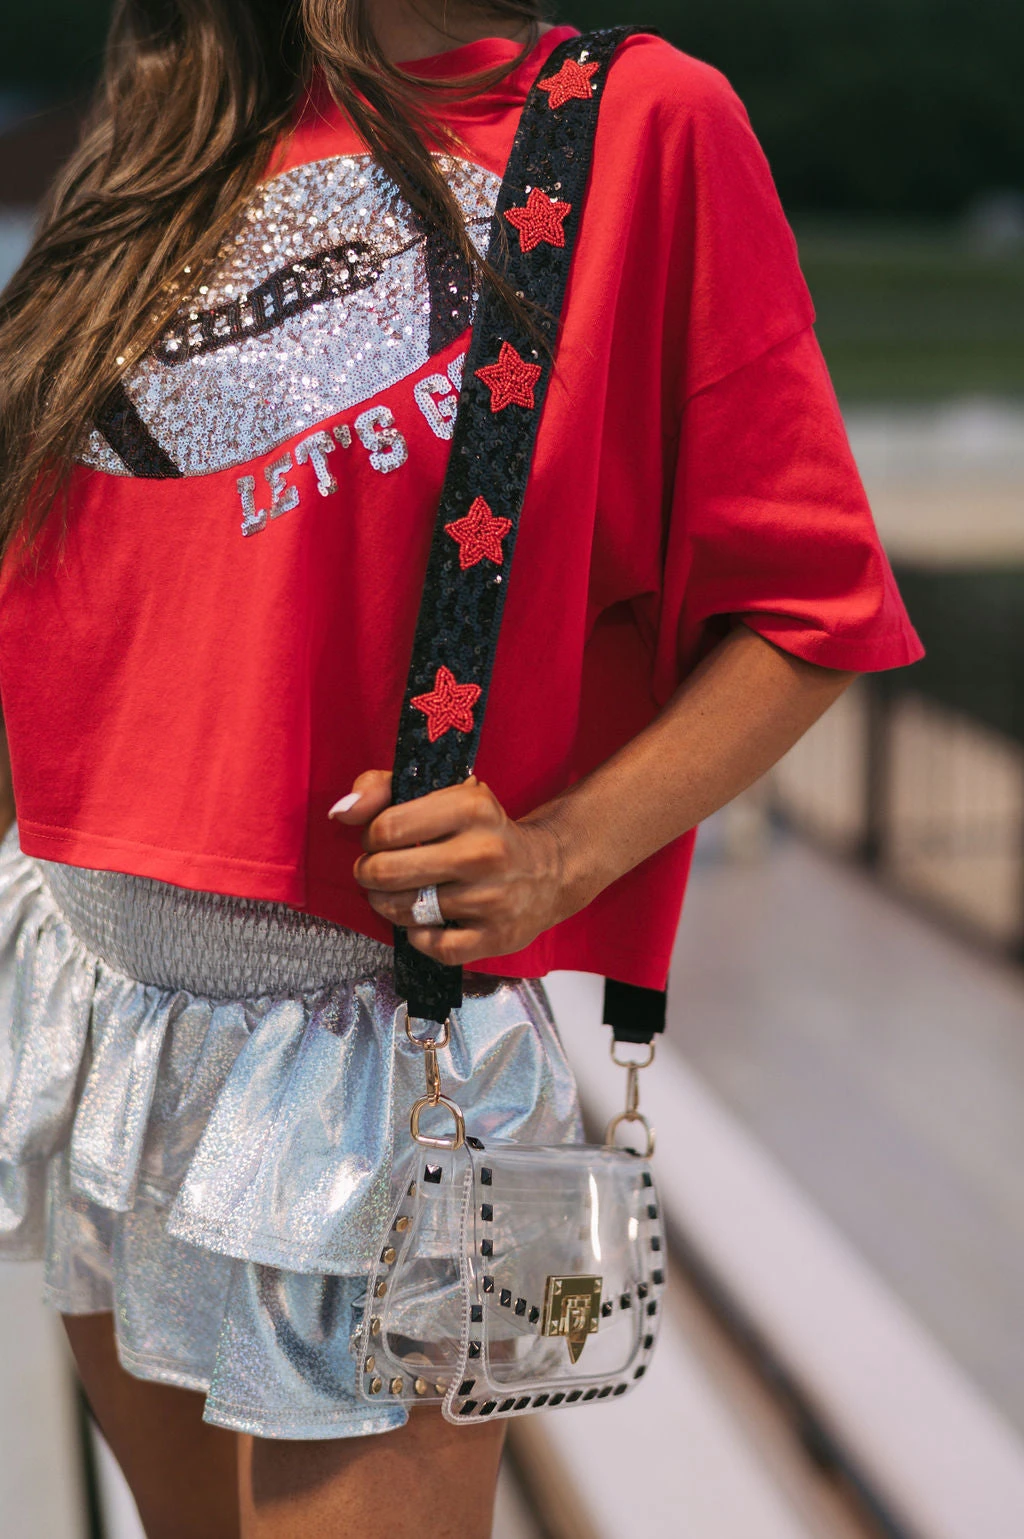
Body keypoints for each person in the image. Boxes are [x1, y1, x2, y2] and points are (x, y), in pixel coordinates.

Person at [0, 2, 922, 1535]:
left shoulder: (640, 125)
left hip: (372, 1050)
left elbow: (813, 610)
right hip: (101, 1007)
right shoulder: (188, 98)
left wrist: (562, 851)